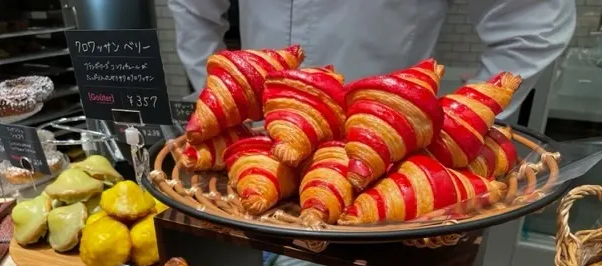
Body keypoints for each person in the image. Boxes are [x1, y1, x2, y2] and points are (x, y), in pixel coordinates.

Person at [169, 0, 576, 118]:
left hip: (383, 160)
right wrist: (221, 101)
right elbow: (193, 6)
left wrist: (457, 126)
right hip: (257, 145)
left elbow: (533, 21)